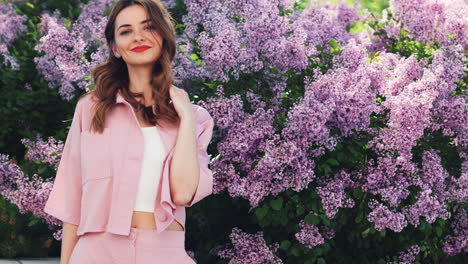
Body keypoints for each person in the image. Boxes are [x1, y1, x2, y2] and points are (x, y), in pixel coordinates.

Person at [43, 0, 214, 263]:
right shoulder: (91, 109)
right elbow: (72, 200)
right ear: (115, 48)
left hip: (163, 253)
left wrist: (186, 116)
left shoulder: (195, 118)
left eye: (148, 27)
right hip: (95, 253)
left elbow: (182, 193)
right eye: (125, 31)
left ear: (163, 36)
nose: (138, 37)